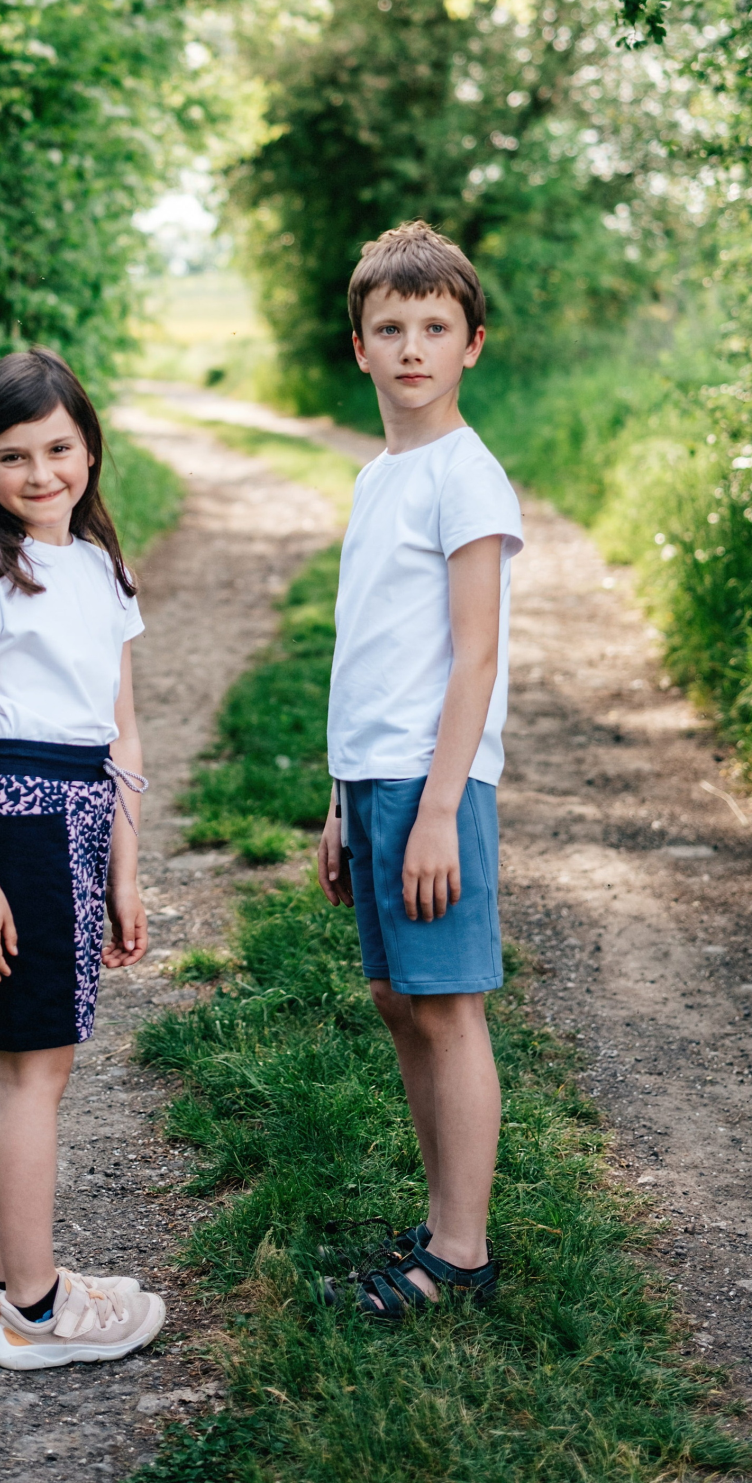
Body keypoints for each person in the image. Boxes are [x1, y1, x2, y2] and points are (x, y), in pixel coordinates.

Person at [0, 346, 166, 1369]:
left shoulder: (102, 569)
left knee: (8, 1056)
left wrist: (123, 870)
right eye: (13, 455)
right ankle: (33, 1306)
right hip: (16, 819)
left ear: (89, 449)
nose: (40, 472)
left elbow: (121, 732)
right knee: (35, 1069)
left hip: (82, 815)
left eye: (59, 448)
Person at [318, 221, 524, 1320]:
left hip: (433, 781)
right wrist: (337, 799)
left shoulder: (466, 476)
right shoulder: (378, 477)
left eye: (434, 328)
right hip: (375, 780)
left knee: (446, 1009)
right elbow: (367, 647)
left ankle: (461, 1252)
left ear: (471, 344)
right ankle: (446, 1218)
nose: (411, 348)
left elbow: (473, 654)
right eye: (390, 328)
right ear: (359, 346)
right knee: (400, 999)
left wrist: (440, 807)